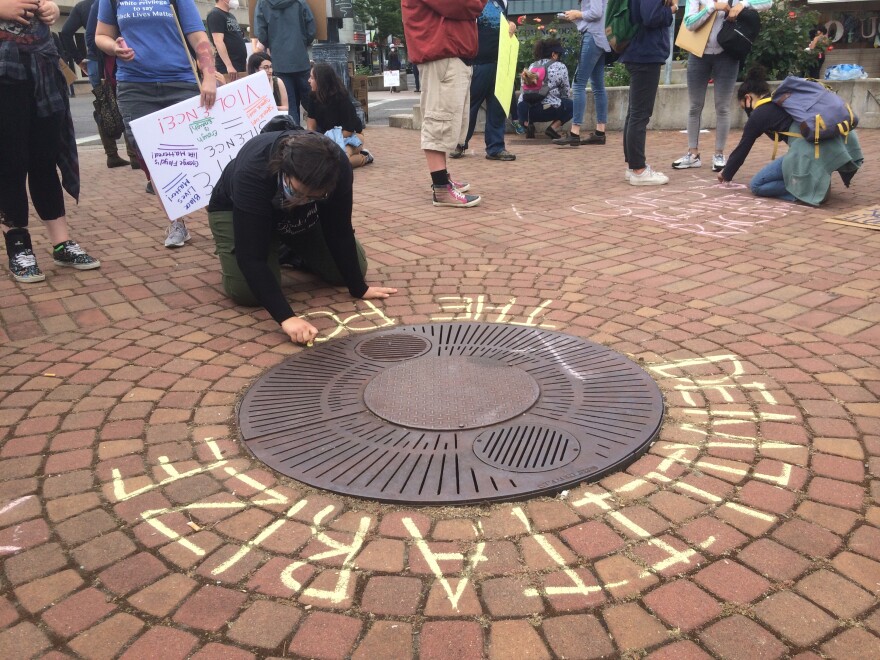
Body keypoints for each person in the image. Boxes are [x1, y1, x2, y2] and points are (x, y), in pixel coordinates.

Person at [206, 126, 397, 345]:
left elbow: (339, 229)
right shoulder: (253, 172)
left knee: (349, 270)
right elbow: (250, 258)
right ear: (284, 171)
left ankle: (287, 250)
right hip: (234, 208)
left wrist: (358, 288)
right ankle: (266, 242)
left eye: (314, 196)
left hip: (294, 217)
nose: (302, 198)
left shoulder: (339, 168)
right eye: (297, 192)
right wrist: (287, 318)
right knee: (247, 292)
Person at [95, 0, 217, 248]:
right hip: (134, 87)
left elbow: (197, 36)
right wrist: (114, 48)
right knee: (155, 160)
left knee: (199, 155)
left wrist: (210, 76)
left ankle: (217, 221)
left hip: (181, 83)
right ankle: (176, 222)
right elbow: (101, 36)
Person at [1, 0, 101, 282]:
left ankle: (61, 243)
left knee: (45, 159)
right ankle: (18, 246)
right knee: (11, 162)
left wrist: (52, 9)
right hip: (4, 70)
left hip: (42, 62)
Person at [718, 66, 862, 206]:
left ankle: (807, 190)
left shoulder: (758, 114)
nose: (746, 111)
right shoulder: (783, 99)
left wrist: (726, 174)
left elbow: (743, 148)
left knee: (757, 185)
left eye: (744, 106)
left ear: (748, 98)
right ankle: (814, 181)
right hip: (834, 145)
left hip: (810, 149)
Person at [401, 0, 485, 208]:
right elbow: (464, 4)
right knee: (439, 119)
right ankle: (440, 188)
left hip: (447, 52)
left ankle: (443, 179)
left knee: (446, 119)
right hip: (442, 53)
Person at [672, 0, 771, 173]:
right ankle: (692, 153)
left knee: (723, 107)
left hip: (727, 56)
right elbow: (689, 23)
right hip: (698, 53)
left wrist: (743, 5)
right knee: (695, 105)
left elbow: (768, 3)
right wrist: (712, 7)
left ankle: (719, 154)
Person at [450, 0, 517, 162]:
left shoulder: (502, 2)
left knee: (498, 107)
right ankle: (460, 143)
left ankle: (496, 147)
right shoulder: (470, 2)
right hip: (477, 63)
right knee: (469, 106)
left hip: (500, 63)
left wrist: (511, 25)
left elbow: (504, 23)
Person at [619, 0, 677, 185]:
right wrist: (671, 9)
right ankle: (639, 170)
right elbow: (651, 16)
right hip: (645, 53)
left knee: (634, 113)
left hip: (638, 51)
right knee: (640, 114)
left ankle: (633, 167)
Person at [553, 0, 610, 146]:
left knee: (578, 84)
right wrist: (576, 15)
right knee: (598, 85)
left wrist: (577, 14)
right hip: (600, 38)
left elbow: (596, 13)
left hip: (592, 37)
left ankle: (575, 133)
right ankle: (600, 132)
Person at [255, 0, 315, 125]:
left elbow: (261, 33)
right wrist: (302, 42)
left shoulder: (262, 3)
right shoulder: (300, 2)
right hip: (300, 60)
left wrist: (272, 44)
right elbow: (311, 29)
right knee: (311, 101)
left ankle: (293, 138)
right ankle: (319, 136)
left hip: (280, 62)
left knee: (289, 105)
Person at [306, 63, 372, 169]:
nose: (309, 80)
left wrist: (329, 139)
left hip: (351, 137)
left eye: (312, 78)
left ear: (321, 81)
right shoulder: (312, 98)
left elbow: (349, 130)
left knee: (342, 160)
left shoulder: (341, 98)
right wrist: (316, 140)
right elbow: (311, 127)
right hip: (325, 139)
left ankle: (365, 157)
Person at [516, 38, 572, 141]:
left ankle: (527, 124)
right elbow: (566, 92)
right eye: (558, 55)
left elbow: (523, 87)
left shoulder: (532, 66)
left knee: (522, 102)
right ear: (554, 54)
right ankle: (552, 128)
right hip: (548, 110)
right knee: (571, 105)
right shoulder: (560, 66)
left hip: (526, 110)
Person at [207, 0, 247, 82]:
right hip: (227, 68)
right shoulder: (215, 14)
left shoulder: (231, 16)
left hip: (239, 66)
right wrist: (229, 65)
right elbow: (218, 41)